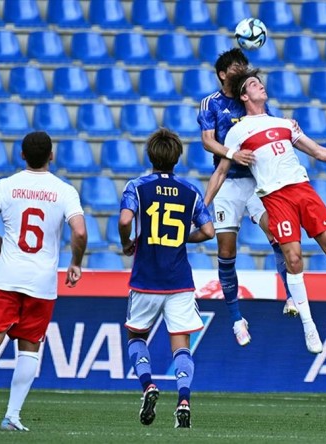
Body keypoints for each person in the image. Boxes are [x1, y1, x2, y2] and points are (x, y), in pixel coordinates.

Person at [205, 69, 326, 354]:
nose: (260, 85)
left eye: (260, 82)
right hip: (275, 197)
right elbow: (220, 173)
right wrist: (203, 207)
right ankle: (308, 324)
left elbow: (319, 152)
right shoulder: (237, 132)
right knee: (293, 258)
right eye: (253, 84)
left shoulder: (285, 123)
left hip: (302, 188)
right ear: (244, 96)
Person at [0, 131, 88, 431]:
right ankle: (12, 416)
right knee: (30, 348)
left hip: (7, 276)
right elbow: (81, 232)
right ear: (51, 156)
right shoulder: (64, 191)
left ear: (21, 155)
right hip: (42, 282)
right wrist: (75, 263)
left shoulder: (6, 186)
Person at [197, 48, 296, 348]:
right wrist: (231, 153)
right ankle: (237, 319)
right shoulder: (211, 103)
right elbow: (207, 141)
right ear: (223, 74)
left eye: (244, 64)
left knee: (276, 233)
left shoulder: (249, 99)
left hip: (255, 180)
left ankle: (291, 295)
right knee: (227, 253)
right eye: (237, 65)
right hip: (227, 181)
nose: (243, 68)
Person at [119, 128, 215, 429]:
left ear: (150, 156)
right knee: (181, 344)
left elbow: (125, 220)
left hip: (146, 278)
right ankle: (184, 400)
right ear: (177, 158)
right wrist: (182, 238)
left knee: (136, 337)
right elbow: (209, 231)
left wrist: (128, 241)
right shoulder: (190, 191)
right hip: (179, 281)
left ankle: (148, 385)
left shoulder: (137, 186)